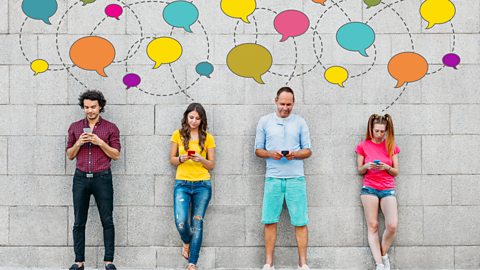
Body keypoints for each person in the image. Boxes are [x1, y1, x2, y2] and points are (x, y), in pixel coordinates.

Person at [255, 87, 312, 270]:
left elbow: (308, 150)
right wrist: (271, 154)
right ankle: (269, 263)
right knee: (270, 220)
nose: (285, 108)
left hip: (296, 178)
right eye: (282, 104)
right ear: (275, 101)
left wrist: (294, 154)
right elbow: (258, 150)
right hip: (273, 178)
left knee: (301, 221)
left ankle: (303, 264)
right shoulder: (264, 121)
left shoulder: (300, 122)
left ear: (293, 103)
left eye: (289, 104)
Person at [66, 90, 121, 270]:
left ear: (100, 107)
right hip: (80, 178)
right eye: (87, 107)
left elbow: (116, 154)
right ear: (83, 107)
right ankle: (79, 261)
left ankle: (109, 262)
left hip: (102, 178)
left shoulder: (111, 128)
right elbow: (70, 155)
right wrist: (78, 143)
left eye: (93, 107)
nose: (90, 110)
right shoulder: (74, 127)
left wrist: (100, 142)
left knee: (107, 220)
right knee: (78, 221)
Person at [169, 103, 216, 270]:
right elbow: (172, 160)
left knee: (198, 223)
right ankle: (187, 241)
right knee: (181, 221)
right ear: (186, 117)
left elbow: (211, 164)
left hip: (202, 185)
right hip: (182, 183)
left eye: (197, 118)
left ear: (201, 119)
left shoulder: (208, 137)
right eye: (191, 117)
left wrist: (200, 159)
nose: (194, 121)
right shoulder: (178, 135)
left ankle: (192, 263)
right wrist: (182, 158)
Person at [355, 114, 400, 270]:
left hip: (387, 189)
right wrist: (367, 166)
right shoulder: (363, 146)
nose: (379, 134)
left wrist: (386, 167)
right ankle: (380, 265)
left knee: (392, 225)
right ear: (371, 129)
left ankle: (383, 253)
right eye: (377, 131)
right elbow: (359, 170)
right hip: (369, 189)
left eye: (382, 131)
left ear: (386, 130)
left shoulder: (391, 145)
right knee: (373, 225)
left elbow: (396, 171)